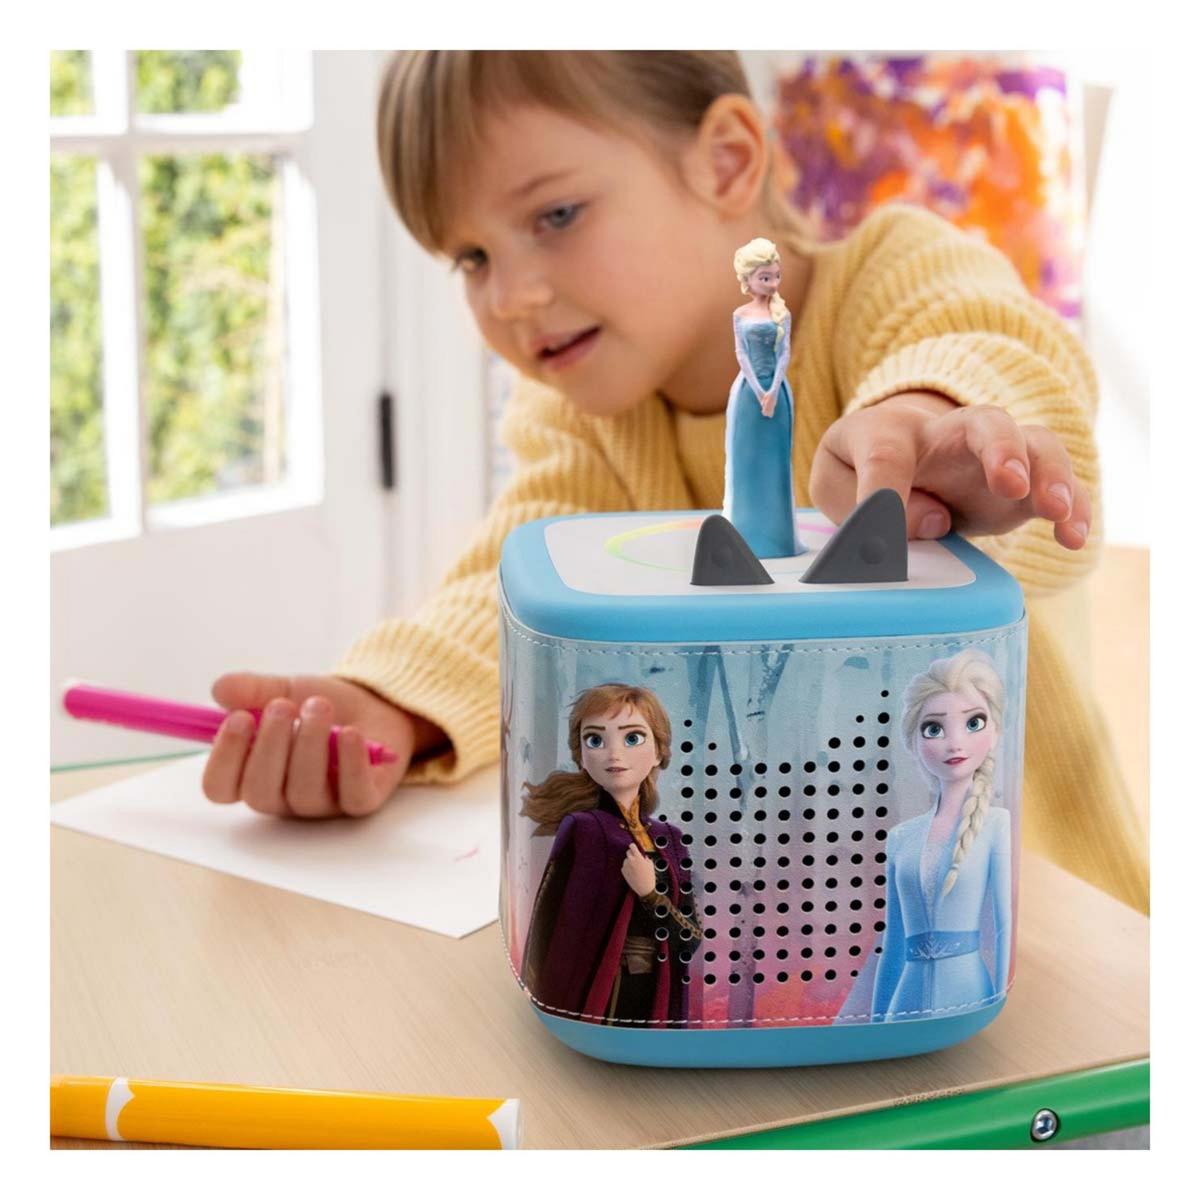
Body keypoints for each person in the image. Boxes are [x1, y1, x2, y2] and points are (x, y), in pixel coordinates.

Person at [199, 51, 1148, 917]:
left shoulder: (890, 273)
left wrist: (927, 416)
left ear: (726, 162)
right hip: (785, 921)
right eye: (473, 257)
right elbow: (514, 590)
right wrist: (395, 705)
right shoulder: (581, 414)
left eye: (555, 216)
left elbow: (996, 353)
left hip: (1044, 925)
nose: (509, 297)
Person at [518, 684, 699, 1025]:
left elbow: (689, 939)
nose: (614, 753)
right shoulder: (583, 828)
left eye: (632, 738)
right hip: (601, 988)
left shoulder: (671, 839)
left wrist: (650, 894)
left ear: (658, 752)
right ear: (581, 756)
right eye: (595, 740)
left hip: (657, 990)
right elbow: (548, 919)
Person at [864, 650, 1012, 1022]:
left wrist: (998, 998)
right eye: (934, 729)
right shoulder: (901, 838)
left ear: (995, 731)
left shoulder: (996, 824)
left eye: (974, 722)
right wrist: (876, 1022)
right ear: (913, 743)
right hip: (905, 998)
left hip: (969, 995)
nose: (955, 743)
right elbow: (893, 942)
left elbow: (1004, 926)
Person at [724, 237, 797, 557]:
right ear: (748, 279)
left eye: (776, 276)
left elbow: (784, 354)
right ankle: (747, 533)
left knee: (775, 462)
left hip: (777, 393)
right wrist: (758, 391)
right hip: (749, 394)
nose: (772, 283)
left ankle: (777, 537)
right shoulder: (740, 315)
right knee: (748, 461)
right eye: (765, 277)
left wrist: (773, 391)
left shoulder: (782, 314)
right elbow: (741, 354)